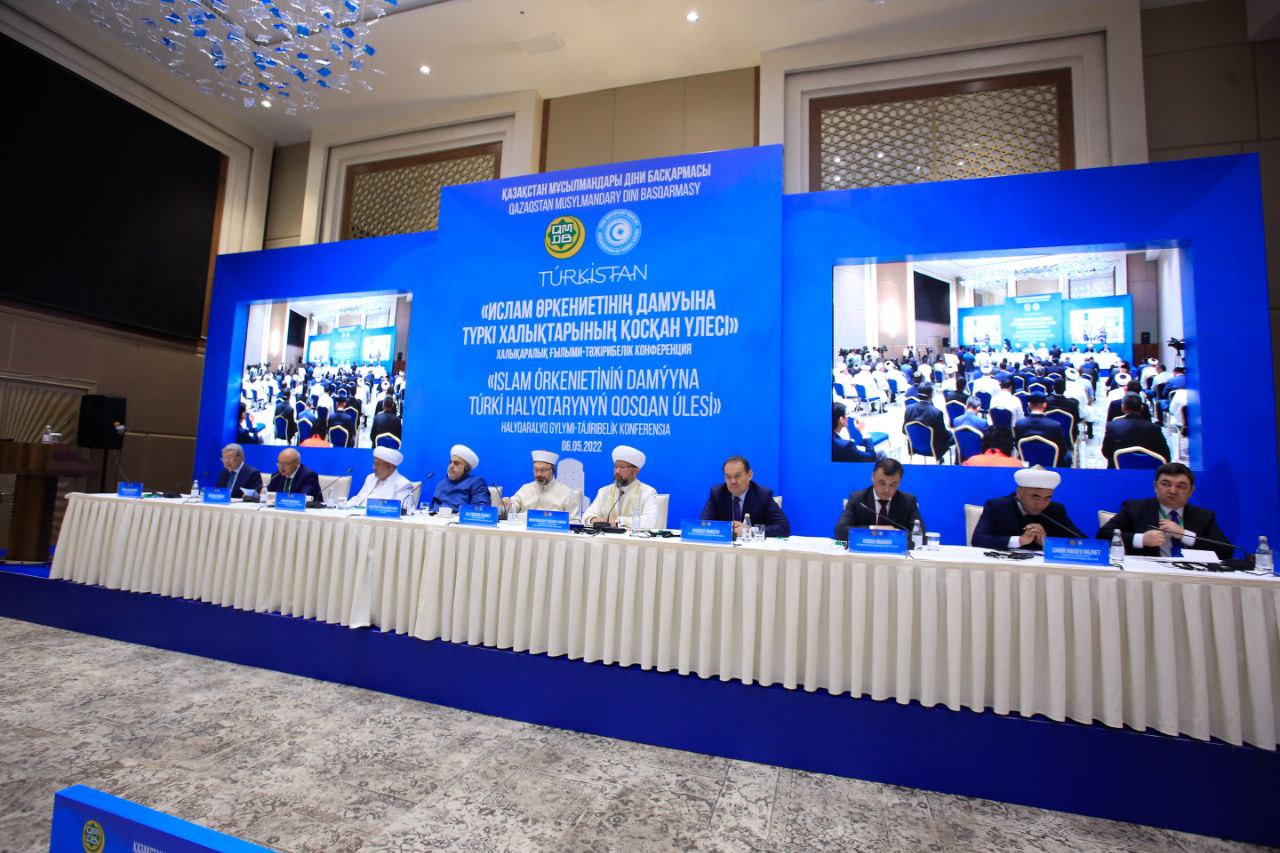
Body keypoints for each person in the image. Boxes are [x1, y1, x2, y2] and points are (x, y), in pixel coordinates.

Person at [1096, 463, 1234, 560]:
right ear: (1155, 486)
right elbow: (1102, 536)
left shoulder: (1203, 516)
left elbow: (1226, 550)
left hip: (1192, 576)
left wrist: (1184, 534)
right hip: (1148, 575)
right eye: (1166, 484)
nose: (1173, 491)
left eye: (1181, 486)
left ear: (1191, 491)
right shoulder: (1134, 509)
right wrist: (1141, 539)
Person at [971, 466, 1084, 550]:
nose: (1041, 504)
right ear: (1019, 493)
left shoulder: (1056, 510)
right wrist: (1019, 540)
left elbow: (1082, 542)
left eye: (1047, 498)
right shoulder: (997, 507)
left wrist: (1048, 543)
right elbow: (978, 539)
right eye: (1035, 497)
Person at [833, 458, 924, 541]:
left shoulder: (908, 501)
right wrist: (875, 529)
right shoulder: (858, 499)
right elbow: (840, 531)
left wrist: (893, 535)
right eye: (882, 483)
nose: (887, 489)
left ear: (899, 482)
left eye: (892, 484)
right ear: (873, 477)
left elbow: (921, 536)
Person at [699, 455, 790, 538]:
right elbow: (702, 524)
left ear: (749, 475)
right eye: (728, 477)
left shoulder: (763, 495)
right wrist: (727, 528)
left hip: (753, 548)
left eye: (737, 476)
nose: (733, 481)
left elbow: (783, 527)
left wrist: (748, 531)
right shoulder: (717, 493)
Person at [583, 445, 659, 529]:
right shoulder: (604, 491)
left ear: (635, 470)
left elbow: (649, 522)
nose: (617, 471)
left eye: (622, 467)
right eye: (615, 467)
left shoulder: (648, 492)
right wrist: (594, 520)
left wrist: (618, 522)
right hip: (606, 537)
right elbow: (587, 515)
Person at [505, 450, 581, 522]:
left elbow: (575, 521)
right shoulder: (525, 489)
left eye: (543, 470)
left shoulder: (567, 493)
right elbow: (511, 509)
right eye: (536, 470)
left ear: (553, 471)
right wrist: (505, 506)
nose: (539, 474)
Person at [1101, 393, 1171, 467]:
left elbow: (1106, 452)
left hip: (1119, 470)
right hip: (1148, 471)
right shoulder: (1155, 429)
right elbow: (1166, 456)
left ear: (1123, 408)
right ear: (1141, 408)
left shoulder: (1112, 426)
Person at [346, 446, 415, 508]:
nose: (374, 468)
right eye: (374, 464)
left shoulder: (403, 485)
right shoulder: (370, 478)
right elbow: (357, 499)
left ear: (389, 466)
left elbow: (400, 510)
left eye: (377, 464)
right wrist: (344, 506)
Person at [1014, 393, 1071, 466]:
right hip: (1050, 465)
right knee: (1068, 457)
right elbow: (1063, 450)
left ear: (1029, 405)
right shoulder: (1055, 425)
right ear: (1045, 405)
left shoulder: (1020, 424)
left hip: (1028, 464)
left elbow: (1017, 446)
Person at [431, 444, 490, 512]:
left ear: (466, 469)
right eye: (450, 462)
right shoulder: (441, 484)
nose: (451, 466)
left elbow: (480, 509)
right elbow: (433, 509)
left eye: (456, 463)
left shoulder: (476, 483)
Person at [903, 382, 952, 461]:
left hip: (914, 446)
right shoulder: (936, 413)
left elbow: (904, 431)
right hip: (933, 449)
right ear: (931, 395)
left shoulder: (909, 409)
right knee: (952, 437)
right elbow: (943, 436)